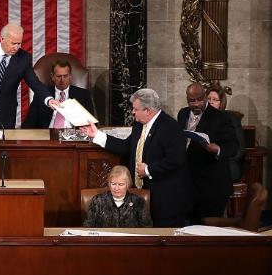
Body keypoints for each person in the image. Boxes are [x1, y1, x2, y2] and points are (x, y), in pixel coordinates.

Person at [81, 89, 191, 228]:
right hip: (142, 194)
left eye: (135, 109)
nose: (133, 112)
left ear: (149, 111)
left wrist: (148, 169)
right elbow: (127, 147)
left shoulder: (171, 128)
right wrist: (97, 135)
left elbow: (176, 160)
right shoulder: (139, 125)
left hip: (165, 199)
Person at [177, 83, 240, 223]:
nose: (196, 104)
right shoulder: (182, 114)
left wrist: (217, 149)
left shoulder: (220, 118)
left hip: (212, 185)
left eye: (199, 99)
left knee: (208, 228)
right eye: (192, 100)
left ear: (205, 97)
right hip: (189, 182)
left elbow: (233, 147)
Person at [20, 59, 95, 129]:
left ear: (70, 76)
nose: (62, 80)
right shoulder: (43, 94)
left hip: (72, 136)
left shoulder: (83, 94)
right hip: (47, 135)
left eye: (65, 76)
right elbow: (29, 122)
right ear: (52, 77)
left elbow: (91, 123)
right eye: (59, 76)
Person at [83, 165, 152, 228]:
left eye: (121, 184)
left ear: (128, 185)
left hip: (131, 241)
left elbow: (147, 228)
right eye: (113, 184)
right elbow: (88, 226)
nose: (116, 188)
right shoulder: (98, 201)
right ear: (109, 184)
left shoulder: (138, 202)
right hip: (104, 240)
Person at [206, 86, 246, 182]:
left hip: (225, 163)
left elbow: (240, 149)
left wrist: (225, 157)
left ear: (221, 104)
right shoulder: (199, 117)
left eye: (215, 100)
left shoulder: (231, 119)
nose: (210, 102)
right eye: (208, 99)